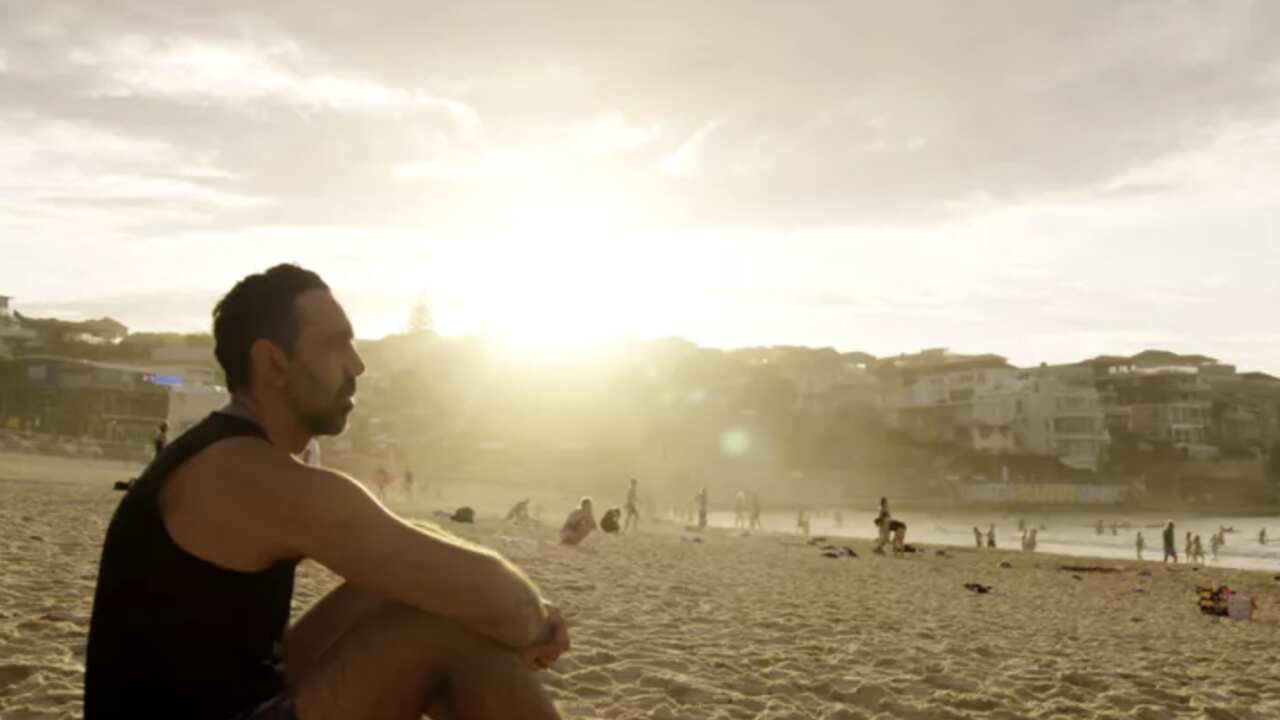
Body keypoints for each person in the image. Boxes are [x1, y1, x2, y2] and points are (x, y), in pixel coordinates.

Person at [84, 264, 568, 720]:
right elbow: (507, 606)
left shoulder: (220, 453)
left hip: (237, 697)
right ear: (273, 362)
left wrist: (512, 615)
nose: (358, 365)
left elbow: (442, 576)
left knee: (409, 588)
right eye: (337, 345)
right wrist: (537, 623)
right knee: (440, 631)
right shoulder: (249, 476)